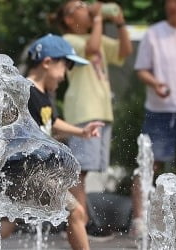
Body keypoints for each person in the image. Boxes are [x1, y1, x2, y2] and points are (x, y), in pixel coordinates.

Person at [0, 34, 105, 250]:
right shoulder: (26, 92)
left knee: (5, 226)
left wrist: (81, 132)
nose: (64, 75)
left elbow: (52, 121)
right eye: (65, 66)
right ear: (47, 63)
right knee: (77, 213)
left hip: (21, 172)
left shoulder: (40, 94)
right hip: (28, 172)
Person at [48, 0, 133, 235]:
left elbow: (124, 51)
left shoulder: (93, 37)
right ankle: (80, 223)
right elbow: (93, 50)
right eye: (81, 6)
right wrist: (98, 18)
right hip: (85, 110)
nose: (87, 8)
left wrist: (120, 23)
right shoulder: (69, 40)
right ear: (68, 18)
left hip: (100, 111)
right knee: (80, 171)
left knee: (84, 170)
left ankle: (80, 220)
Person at [131, 0, 176, 237]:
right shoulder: (154, 33)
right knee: (148, 164)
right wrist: (154, 83)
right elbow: (141, 69)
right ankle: (139, 220)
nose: (172, 5)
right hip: (159, 110)